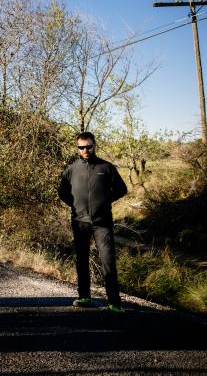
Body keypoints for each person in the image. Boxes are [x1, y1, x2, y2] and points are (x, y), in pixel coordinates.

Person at [58, 132, 128, 313]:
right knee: (81, 259)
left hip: (102, 222)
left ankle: (114, 302)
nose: (85, 150)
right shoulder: (71, 169)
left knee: (108, 260)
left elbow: (122, 189)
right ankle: (84, 296)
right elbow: (62, 192)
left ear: (94, 145)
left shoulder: (106, 167)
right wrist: (74, 205)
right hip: (80, 221)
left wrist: (105, 200)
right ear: (78, 148)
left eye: (88, 146)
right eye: (81, 147)